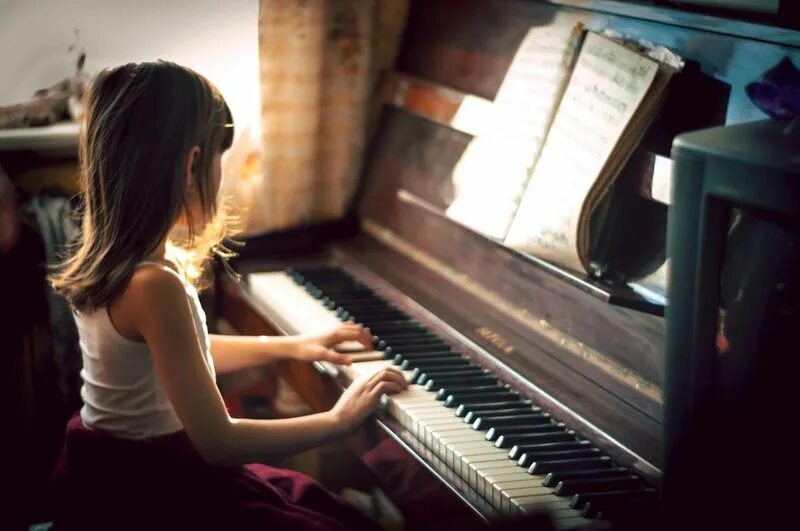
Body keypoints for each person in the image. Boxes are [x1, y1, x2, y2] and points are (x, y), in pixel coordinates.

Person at [47, 61, 407, 530]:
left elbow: (177, 359)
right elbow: (219, 442)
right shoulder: (155, 286)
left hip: (115, 473)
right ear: (193, 163)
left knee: (316, 506)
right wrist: (339, 419)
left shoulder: (111, 264)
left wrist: (290, 347)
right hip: (159, 491)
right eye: (221, 158)